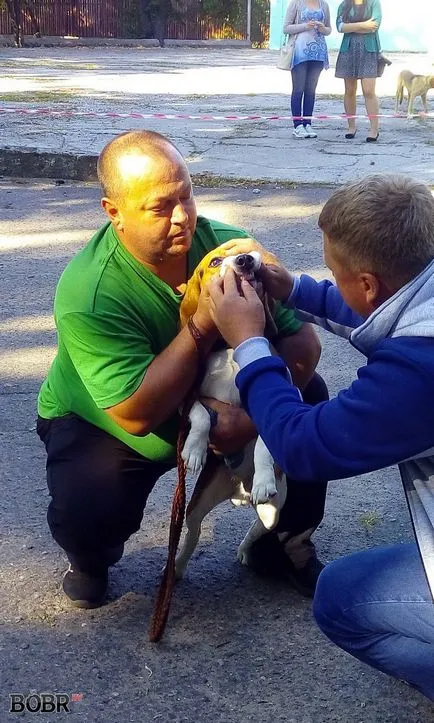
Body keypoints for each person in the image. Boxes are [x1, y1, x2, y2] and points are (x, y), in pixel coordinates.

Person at [36, 129, 329, 609]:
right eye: (160, 207)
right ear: (115, 213)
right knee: (89, 502)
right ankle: (90, 557)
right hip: (115, 420)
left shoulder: (227, 250)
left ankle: (284, 544)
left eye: (187, 196)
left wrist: (253, 421)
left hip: (227, 401)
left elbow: (302, 347)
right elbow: (135, 416)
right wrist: (202, 325)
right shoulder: (88, 292)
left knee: (311, 402)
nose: (182, 218)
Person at [208, 174, 434, 701]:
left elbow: (303, 447)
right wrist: (296, 290)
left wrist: (249, 343)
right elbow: (384, 313)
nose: (330, 277)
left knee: (341, 599)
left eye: (335, 272)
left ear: (369, 284)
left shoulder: (419, 370)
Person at [335, 0, 382, 142]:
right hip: (348, 50)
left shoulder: (374, 3)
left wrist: (350, 27)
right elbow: (340, 27)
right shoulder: (344, 5)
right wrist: (363, 25)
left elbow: (374, 26)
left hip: (368, 50)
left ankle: (374, 129)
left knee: (369, 91)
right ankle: (351, 127)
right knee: (349, 90)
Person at [283, 0, 331, 139]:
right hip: (299, 52)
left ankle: (308, 122)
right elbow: (286, 27)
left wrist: (323, 28)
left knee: (311, 90)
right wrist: (305, 26)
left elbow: (329, 29)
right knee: (299, 89)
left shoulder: (324, 5)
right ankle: (297, 125)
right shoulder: (296, 3)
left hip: (318, 53)